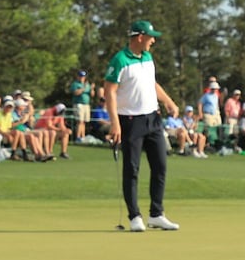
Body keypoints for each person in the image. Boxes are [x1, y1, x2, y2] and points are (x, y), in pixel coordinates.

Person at [104, 19, 179, 232]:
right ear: (139, 37)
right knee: (132, 169)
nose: (153, 41)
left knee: (160, 166)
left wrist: (168, 101)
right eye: (150, 37)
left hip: (153, 119)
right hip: (130, 120)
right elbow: (109, 91)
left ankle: (156, 214)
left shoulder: (147, 57)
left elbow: (151, 83)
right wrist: (115, 124)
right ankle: (134, 216)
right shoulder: (120, 60)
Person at [69, 70, 92, 139]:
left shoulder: (87, 85)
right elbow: (76, 93)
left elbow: (92, 94)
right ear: (78, 77)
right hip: (79, 104)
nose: (82, 78)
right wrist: (83, 88)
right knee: (80, 121)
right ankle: (78, 137)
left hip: (86, 104)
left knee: (84, 122)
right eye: (81, 76)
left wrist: (92, 89)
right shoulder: (75, 84)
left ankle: (83, 137)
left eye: (83, 76)